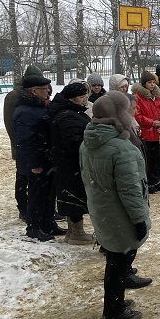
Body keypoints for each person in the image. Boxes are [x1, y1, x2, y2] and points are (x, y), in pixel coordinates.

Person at [80, 91, 151, 319]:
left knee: (114, 258)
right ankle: (113, 308)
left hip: (103, 209)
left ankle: (116, 299)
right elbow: (130, 190)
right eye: (128, 109)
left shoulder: (90, 140)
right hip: (120, 214)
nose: (132, 112)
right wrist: (140, 219)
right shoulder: (121, 148)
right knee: (121, 259)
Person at [14, 74, 65, 240]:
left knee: (49, 194)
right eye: (43, 89)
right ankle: (34, 227)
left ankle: (48, 223)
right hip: (36, 161)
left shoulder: (39, 106)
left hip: (46, 158)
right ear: (32, 91)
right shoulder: (25, 111)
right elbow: (26, 141)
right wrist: (34, 164)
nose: (47, 91)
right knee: (37, 195)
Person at [49, 81, 94, 245]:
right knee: (74, 197)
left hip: (67, 164)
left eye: (86, 96)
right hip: (70, 164)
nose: (85, 99)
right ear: (71, 99)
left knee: (72, 196)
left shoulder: (69, 112)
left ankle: (73, 231)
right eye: (82, 96)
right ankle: (76, 233)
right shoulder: (67, 116)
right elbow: (75, 142)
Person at [3, 65, 44, 222]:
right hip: (23, 143)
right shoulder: (14, 97)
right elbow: (11, 122)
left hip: (26, 142)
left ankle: (29, 207)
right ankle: (23, 207)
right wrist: (18, 144)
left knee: (27, 177)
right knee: (23, 176)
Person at [131, 70, 160, 192]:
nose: (152, 84)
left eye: (153, 82)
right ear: (144, 84)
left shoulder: (157, 96)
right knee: (147, 161)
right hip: (147, 133)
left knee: (157, 160)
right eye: (149, 82)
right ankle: (149, 183)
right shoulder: (138, 97)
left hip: (157, 133)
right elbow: (138, 116)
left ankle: (157, 181)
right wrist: (151, 122)